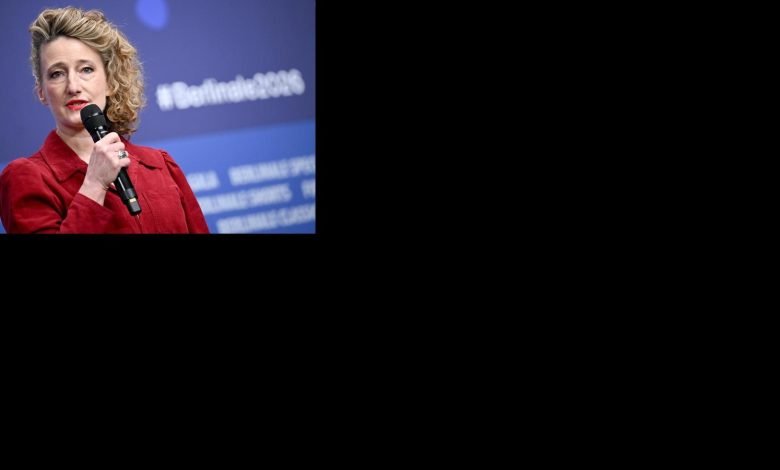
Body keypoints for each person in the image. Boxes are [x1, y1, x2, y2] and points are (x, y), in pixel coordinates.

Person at [0, 7, 209, 234]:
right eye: (56, 74)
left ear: (110, 82)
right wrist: (94, 184)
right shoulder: (25, 177)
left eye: (86, 69)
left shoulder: (159, 164)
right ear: (41, 92)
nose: (73, 86)